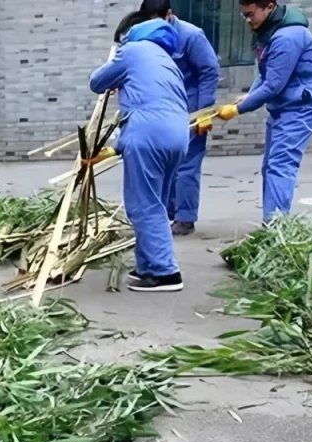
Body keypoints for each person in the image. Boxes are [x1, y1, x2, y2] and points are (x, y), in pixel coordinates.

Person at [86, 13, 189, 292]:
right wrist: (113, 148)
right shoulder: (165, 58)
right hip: (178, 134)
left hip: (149, 135)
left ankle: (166, 273)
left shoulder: (132, 50)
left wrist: (115, 62)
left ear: (128, 35)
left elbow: (96, 82)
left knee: (144, 205)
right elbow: (153, 106)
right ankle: (147, 267)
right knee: (154, 201)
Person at [216, 1, 312, 223]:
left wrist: (237, 109)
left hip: (299, 107)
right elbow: (265, 73)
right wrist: (249, 95)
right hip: (284, 107)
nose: (247, 20)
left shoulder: (286, 38)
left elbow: (273, 86)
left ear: (269, 7)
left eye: (250, 14)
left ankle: (276, 228)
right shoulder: (268, 31)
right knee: (270, 166)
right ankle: (272, 222)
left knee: (280, 166)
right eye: (243, 15)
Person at [139, 0, 220, 236]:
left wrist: (204, 111)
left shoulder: (192, 36)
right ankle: (171, 212)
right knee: (167, 165)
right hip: (165, 108)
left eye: (158, 19)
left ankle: (185, 218)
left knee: (187, 165)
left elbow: (209, 70)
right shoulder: (149, 35)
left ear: (170, 14)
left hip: (191, 108)